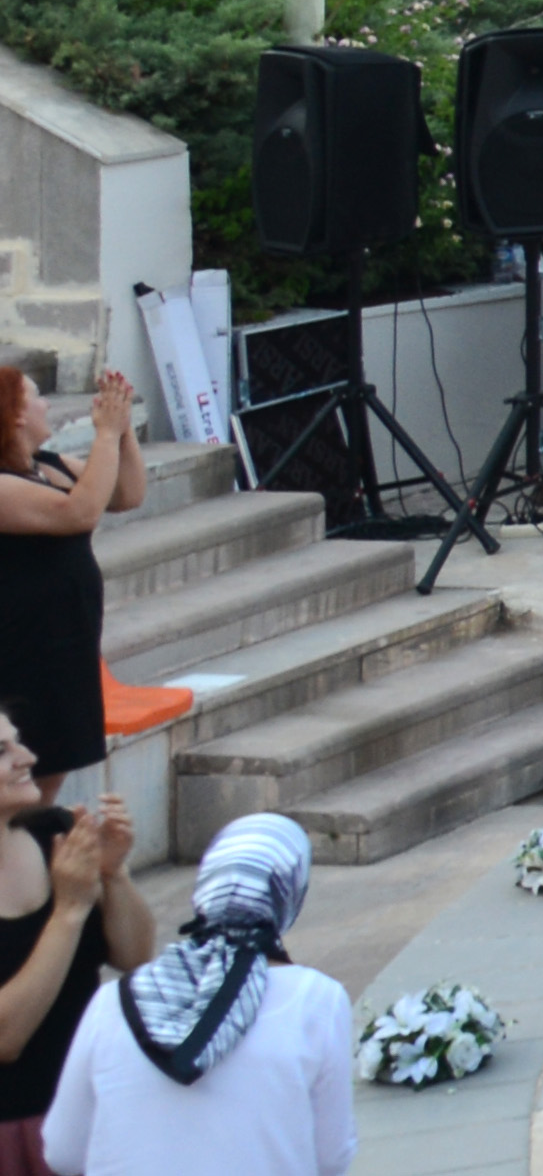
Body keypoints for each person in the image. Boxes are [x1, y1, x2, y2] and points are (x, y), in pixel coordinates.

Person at [41, 816, 343, 1176]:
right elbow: (332, 1158)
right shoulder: (318, 999)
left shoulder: (114, 1000)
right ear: (289, 894)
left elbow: (62, 1153)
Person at [1, 709, 155, 1168]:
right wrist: (68, 912)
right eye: (2, 751)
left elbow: (134, 956)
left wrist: (113, 874)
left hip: (86, 1111)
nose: (28, 757)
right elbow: (6, 1037)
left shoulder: (55, 834)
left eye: (17, 741)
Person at [0, 368, 146, 830]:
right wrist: (105, 433)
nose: (47, 405)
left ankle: (36, 852)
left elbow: (126, 494)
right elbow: (78, 512)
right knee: (27, 773)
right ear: (15, 414)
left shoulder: (50, 464)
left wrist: (123, 430)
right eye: (36, 396)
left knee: (55, 762)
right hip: (21, 649)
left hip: (67, 642)